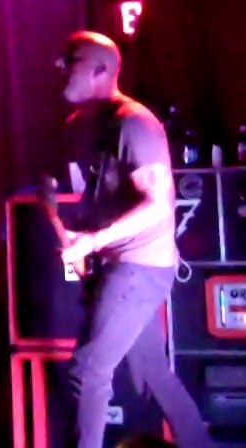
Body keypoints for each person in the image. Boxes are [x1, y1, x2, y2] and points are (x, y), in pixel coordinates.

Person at [54, 31, 210, 448]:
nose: (59, 67)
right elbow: (102, 196)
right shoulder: (85, 125)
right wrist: (79, 229)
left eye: (70, 60)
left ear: (101, 70)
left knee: (88, 370)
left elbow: (157, 205)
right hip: (120, 264)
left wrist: (93, 241)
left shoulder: (134, 123)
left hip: (139, 268)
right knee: (150, 372)